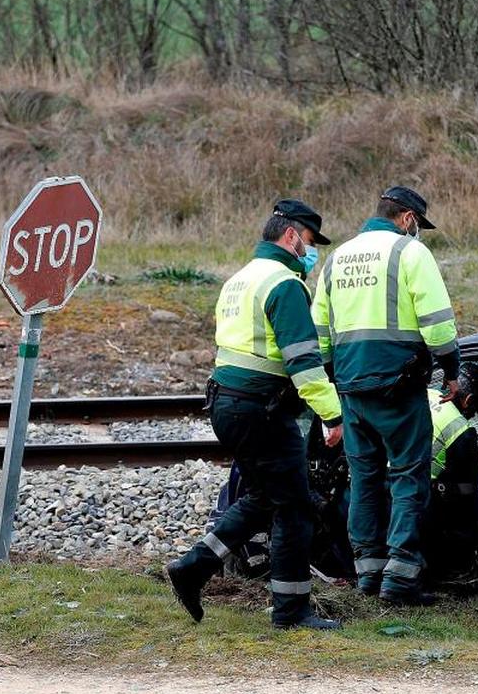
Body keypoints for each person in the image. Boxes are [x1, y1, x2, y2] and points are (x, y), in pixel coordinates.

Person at [166, 199, 344, 630]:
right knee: (295, 508)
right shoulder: (283, 284)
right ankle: (291, 610)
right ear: (290, 237)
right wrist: (332, 414)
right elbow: (303, 362)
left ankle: (193, 568)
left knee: (264, 497)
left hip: (227, 406)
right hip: (262, 410)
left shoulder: (239, 280)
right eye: (309, 241)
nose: (311, 250)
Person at [311, 185, 460, 604]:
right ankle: (400, 578)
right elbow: (437, 324)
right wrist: (452, 371)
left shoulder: (337, 257)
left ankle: (367, 575)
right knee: (410, 477)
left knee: (364, 480)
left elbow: (320, 334)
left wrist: (333, 384)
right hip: (400, 388)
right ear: (409, 219)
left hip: (351, 391)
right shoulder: (410, 254)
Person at [423, 363, 478, 577]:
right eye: (474, 410)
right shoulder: (461, 429)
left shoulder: (427, 395)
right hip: (418, 499)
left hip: (386, 481)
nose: (471, 416)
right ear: (468, 400)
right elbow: (468, 487)